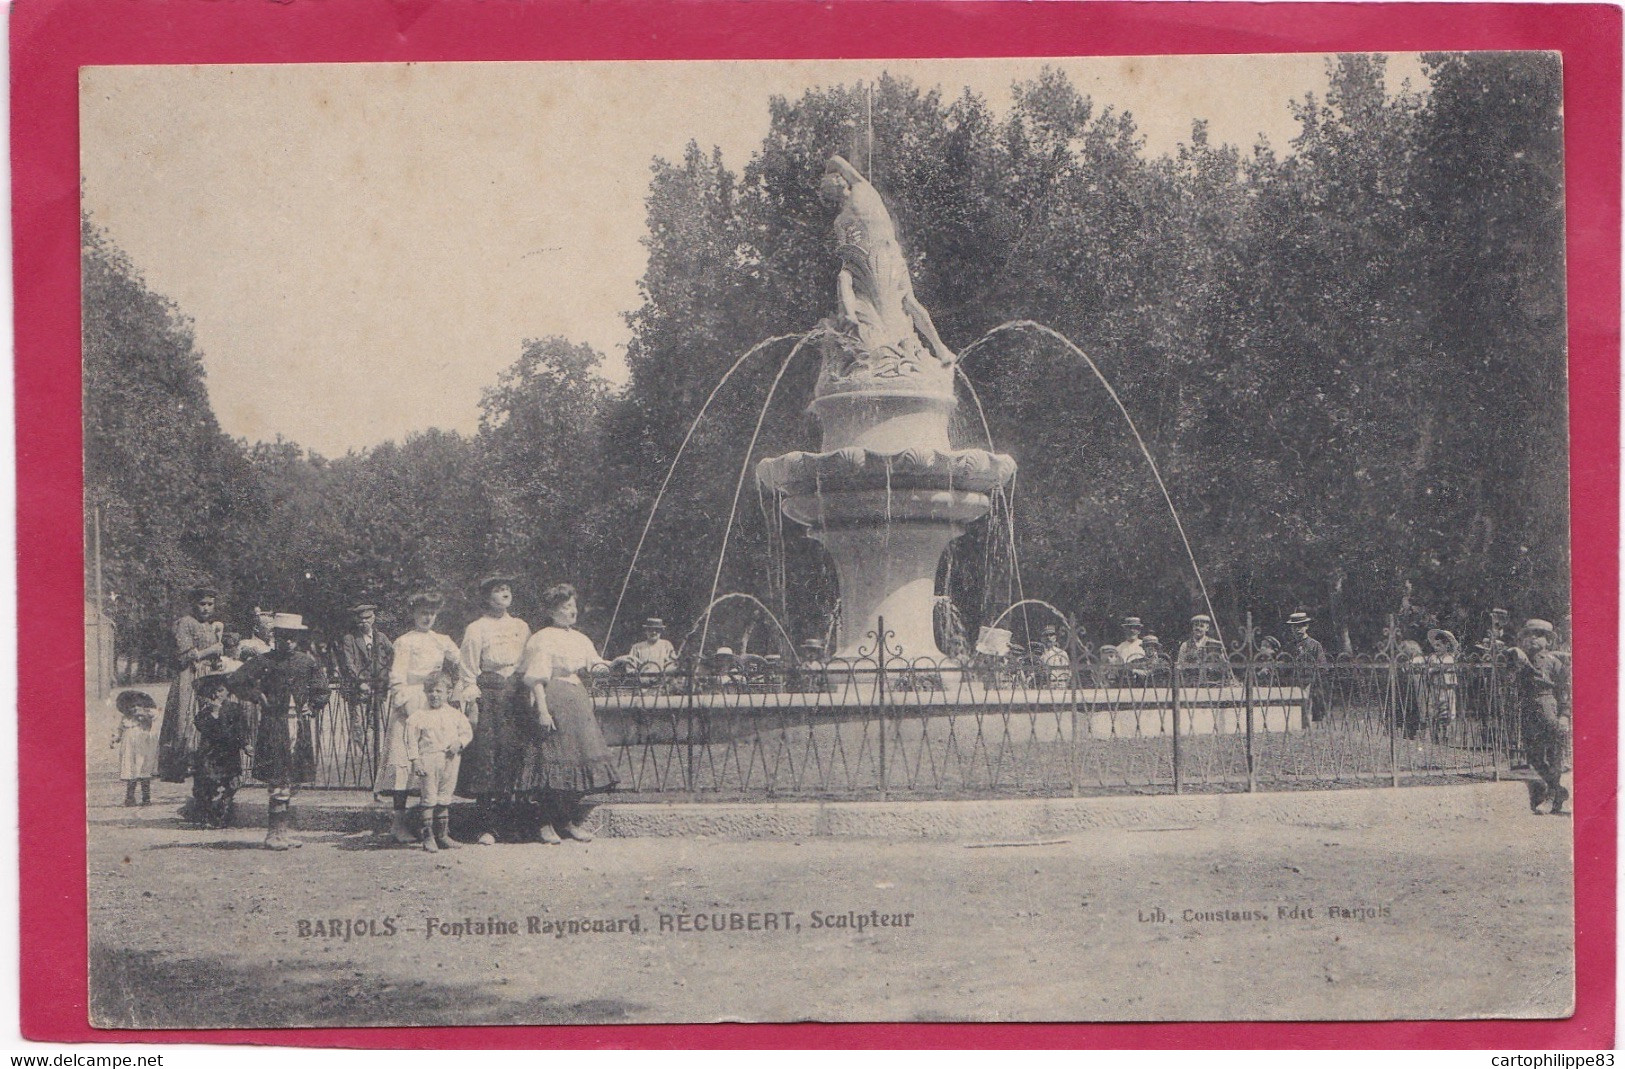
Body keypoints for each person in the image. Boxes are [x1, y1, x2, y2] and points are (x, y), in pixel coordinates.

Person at [516, 583, 619, 845]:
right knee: (555, 760)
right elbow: (536, 678)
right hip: (555, 697)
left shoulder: (580, 638)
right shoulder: (542, 638)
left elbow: (595, 665)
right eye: (565, 607)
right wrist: (542, 710)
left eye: (573, 606)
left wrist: (616, 664)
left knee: (581, 758)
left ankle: (567, 821)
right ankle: (545, 823)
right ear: (552, 611)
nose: (572, 611)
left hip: (578, 699)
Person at [376, 592, 472, 845]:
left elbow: (465, 660)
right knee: (406, 763)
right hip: (412, 701)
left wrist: (460, 686)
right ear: (414, 614)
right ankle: (398, 824)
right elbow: (397, 677)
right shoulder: (405, 641)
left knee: (437, 761)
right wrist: (409, 708)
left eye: (431, 613)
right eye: (422, 612)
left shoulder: (441, 640)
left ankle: (434, 829)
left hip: (436, 699)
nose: (427, 617)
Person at [228, 614, 329, 850]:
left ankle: (284, 832)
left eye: (292, 638)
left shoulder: (307, 662)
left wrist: (312, 706)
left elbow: (322, 689)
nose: (288, 642)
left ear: (299, 638)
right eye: (283, 637)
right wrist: (257, 695)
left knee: (293, 779)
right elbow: (235, 680)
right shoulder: (265, 661)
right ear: (275, 637)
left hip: (299, 726)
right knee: (277, 777)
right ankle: (273, 833)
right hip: (274, 725)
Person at [457, 575, 531, 846]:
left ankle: (512, 824)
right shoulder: (477, 629)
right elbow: (467, 670)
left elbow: (528, 659)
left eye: (507, 589)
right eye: (498, 590)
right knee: (488, 758)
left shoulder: (521, 626)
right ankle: (487, 827)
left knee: (515, 756)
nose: (504, 593)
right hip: (489, 694)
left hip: (516, 695)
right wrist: (473, 703)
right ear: (487, 597)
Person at [157, 586, 224, 787]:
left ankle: (204, 762)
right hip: (190, 676)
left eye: (210, 604)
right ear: (193, 604)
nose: (205, 608)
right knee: (185, 717)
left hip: (208, 676)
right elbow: (183, 655)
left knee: (210, 716)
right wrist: (211, 650)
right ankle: (183, 761)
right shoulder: (185, 623)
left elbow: (213, 654)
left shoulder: (211, 627)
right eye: (201, 604)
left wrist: (217, 658)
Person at [1505, 619, 1571, 815]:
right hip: (1528, 708)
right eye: (1529, 634)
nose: (1533, 638)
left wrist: (1564, 715)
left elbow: (1564, 691)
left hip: (1549, 706)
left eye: (1539, 634)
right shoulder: (1519, 660)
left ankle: (1552, 795)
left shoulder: (1554, 663)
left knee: (1554, 754)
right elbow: (1510, 683)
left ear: (1548, 641)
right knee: (1532, 754)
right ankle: (1558, 791)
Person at [406, 671, 473, 852]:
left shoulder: (455, 714)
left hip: (450, 759)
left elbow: (466, 732)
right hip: (429, 759)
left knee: (444, 796)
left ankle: (443, 835)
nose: (434, 695)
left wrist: (459, 743)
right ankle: (428, 837)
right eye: (430, 691)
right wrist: (416, 761)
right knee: (429, 797)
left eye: (439, 691)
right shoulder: (418, 716)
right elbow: (411, 740)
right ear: (425, 693)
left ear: (448, 693)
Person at [190, 671, 248, 829]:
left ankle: (223, 810)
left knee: (231, 783)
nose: (217, 694)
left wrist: (245, 744)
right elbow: (202, 727)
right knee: (209, 782)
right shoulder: (205, 713)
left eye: (221, 690)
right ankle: (209, 814)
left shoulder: (235, 709)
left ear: (228, 691)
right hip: (211, 753)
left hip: (229, 752)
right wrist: (214, 714)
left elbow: (241, 730)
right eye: (214, 691)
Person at [337, 602, 394, 748]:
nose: (364, 622)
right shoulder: (350, 639)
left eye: (367, 618)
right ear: (356, 620)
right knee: (358, 722)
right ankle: (364, 754)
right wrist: (360, 681)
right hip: (359, 688)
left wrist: (387, 674)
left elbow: (393, 655)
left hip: (378, 686)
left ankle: (373, 752)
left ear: (373, 618)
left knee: (375, 721)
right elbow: (349, 663)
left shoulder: (380, 637)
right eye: (361, 619)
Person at [111, 690, 159, 807]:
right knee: (131, 773)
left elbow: (154, 717)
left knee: (143, 772)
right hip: (129, 750)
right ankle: (130, 798)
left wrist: (145, 714)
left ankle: (146, 798)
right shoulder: (125, 719)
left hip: (142, 750)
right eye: (132, 706)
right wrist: (115, 739)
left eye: (138, 706)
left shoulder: (145, 718)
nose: (135, 709)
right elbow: (119, 730)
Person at [1283, 611, 1328, 721]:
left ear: (1306, 626)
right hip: (1292, 681)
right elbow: (1285, 664)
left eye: (1300, 626)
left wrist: (1312, 678)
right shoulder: (1290, 646)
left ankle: (1308, 724)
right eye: (1294, 627)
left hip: (1309, 681)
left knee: (1307, 705)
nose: (1297, 629)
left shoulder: (1314, 645)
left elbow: (1322, 666)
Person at [1424, 628, 1461, 741]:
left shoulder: (1449, 658)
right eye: (1435, 645)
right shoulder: (1433, 657)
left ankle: (1445, 735)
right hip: (1434, 688)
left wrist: (1433, 669)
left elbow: (1441, 667)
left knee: (1446, 711)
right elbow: (1429, 668)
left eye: (1439, 645)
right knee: (1433, 710)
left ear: (1447, 646)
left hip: (1446, 689)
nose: (1436, 648)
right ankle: (1434, 734)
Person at [1176, 614, 1229, 687]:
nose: (1198, 628)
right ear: (1192, 627)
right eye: (1196, 625)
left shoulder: (1214, 644)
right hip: (1190, 684)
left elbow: (1223, 664)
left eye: (1201, 626)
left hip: (1211, 683)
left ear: (1207, 628)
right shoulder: (1185, 645)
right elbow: (1179, 665)